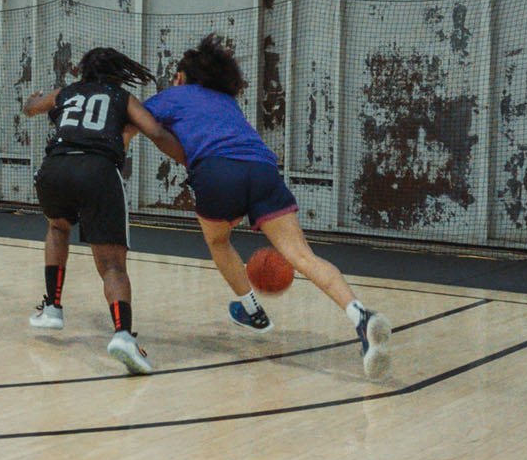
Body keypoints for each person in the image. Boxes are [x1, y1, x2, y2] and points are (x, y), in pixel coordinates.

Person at [144, 34, 392, 379]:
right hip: (262, 169)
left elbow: (137, 119)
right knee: (303, 257)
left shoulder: (173, 95)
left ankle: (252, 311)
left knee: (218, 241)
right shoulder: (227, 102)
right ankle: (360, 316)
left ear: (182, 77)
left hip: (217, 170)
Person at [22, 47, 185, 375]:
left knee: (57, 227)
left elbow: (30, 108)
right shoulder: (121, 97)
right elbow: (155, 131)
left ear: (84, 70)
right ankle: (123, 336)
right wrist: (187, 159)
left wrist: (35, 97)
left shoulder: (66, 92)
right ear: (117, 73)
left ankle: (52, 308)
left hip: (54, 168)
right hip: (96, 170)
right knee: (112, 266)